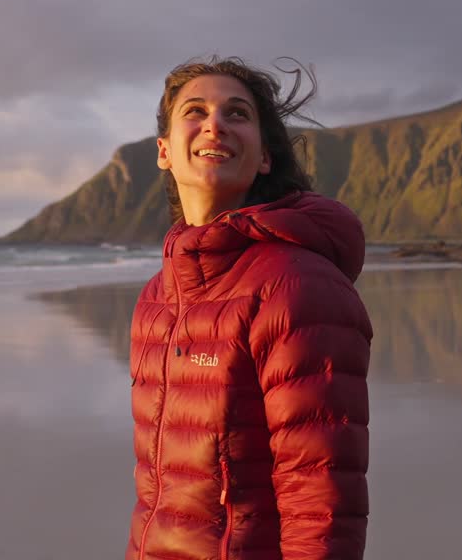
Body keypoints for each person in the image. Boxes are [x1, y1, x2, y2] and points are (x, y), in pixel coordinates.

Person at [125, 57, 372, 560]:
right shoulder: (157, 297)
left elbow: (320, 498)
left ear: (263, 157)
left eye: (237, 114)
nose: (214, 123)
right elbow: (159, 495)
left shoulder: (297, 285)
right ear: (165, 151)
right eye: (195, 110)